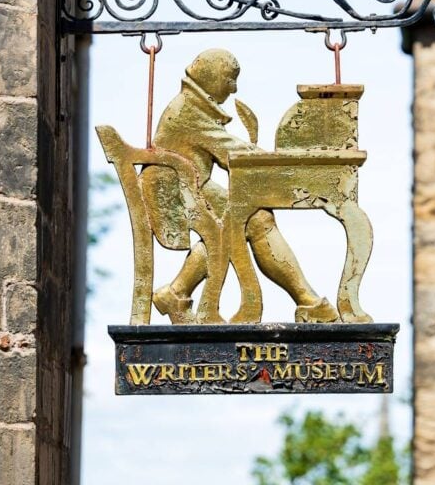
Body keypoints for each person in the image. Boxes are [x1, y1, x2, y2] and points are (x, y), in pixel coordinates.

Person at [143, 48, 337, 324]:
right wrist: (279, 160)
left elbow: (228, 148)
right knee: (256, 220)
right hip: (173, 194)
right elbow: (230, 151)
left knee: (250, 220)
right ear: (211, 75)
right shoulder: (187, 110)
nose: (233, 88)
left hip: (188, 186)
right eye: (229, 79)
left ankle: (176, 292)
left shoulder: (193, 106)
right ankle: (308, 300)